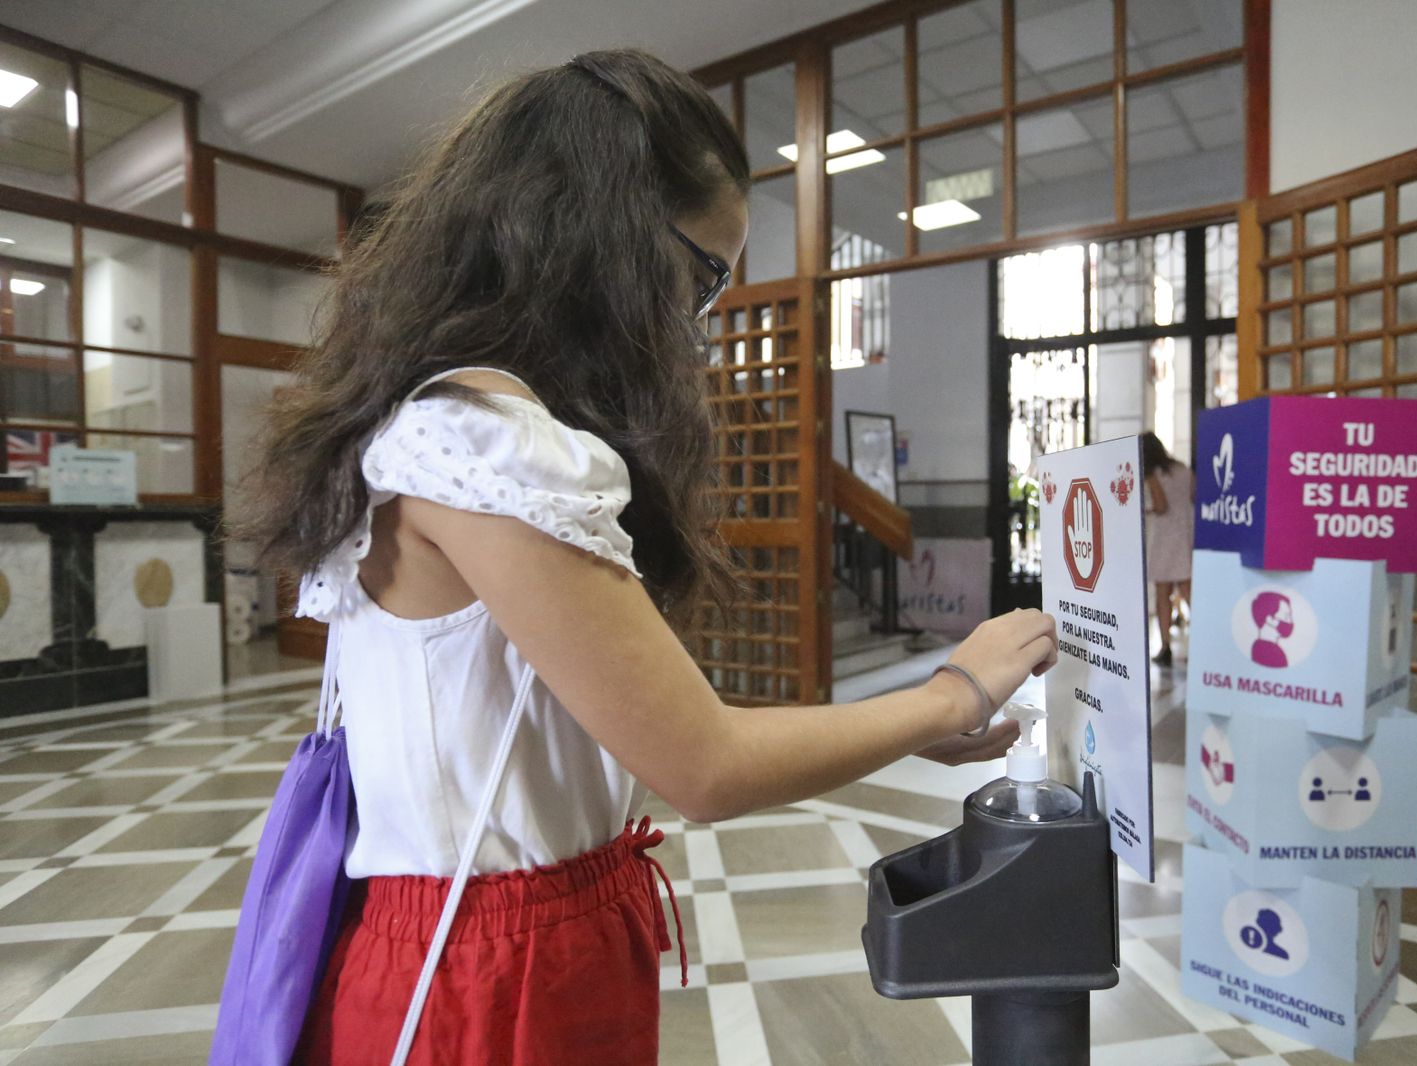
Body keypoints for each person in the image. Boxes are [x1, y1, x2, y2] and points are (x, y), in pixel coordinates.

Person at [234, 50, 1056, 1065]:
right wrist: (952, 690)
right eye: (702, 275)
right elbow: (701, 766)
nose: (694, 321)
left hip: (492, 933)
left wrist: (892, 730)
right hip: (487, 963)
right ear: (605, 235)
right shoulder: (486, 439)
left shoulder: (445, 420)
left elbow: (631, 708)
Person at [1140, 432, 1194, 667]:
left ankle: (1165, 646)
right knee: (1189, 592)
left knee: (1163, 594)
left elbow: (1161, 506)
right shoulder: (1182, 469)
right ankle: (1205, 643)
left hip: (1163, 539)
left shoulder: (1152, 474)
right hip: (1185, 535)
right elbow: (1195, 495)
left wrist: (1145, 510)